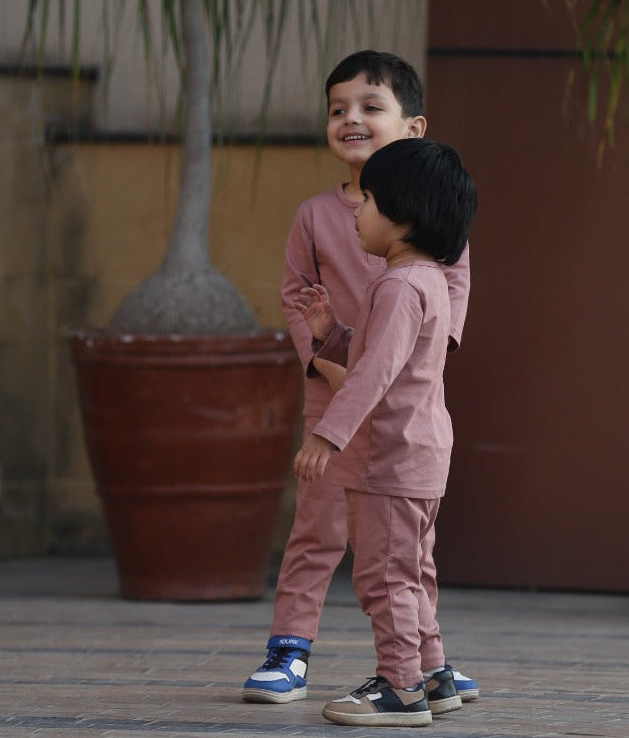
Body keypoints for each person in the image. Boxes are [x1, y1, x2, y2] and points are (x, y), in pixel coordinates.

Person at [242, 50, 478, 705]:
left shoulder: (427, 224)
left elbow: (443, 299)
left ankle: (415, 672)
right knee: (321, 528)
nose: (351, 118)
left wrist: (418, 354)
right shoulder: (320, 215)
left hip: (397, 410)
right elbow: (296, 295)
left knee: (396, 559)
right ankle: (291, 649)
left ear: (413, 127)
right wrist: (324, 353)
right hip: (337, 397)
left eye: (371, 107)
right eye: (337, 108)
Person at [294, 136, 478, 727]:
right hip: (418, 458)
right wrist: (330, 331)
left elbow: (374, 374)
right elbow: (383, 356)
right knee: (413, 570)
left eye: (368, 199)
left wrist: (327, 432)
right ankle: (432, 673)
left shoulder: (400, 286)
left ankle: (400, 687)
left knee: (383, 576)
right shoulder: (421, 282)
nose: (357, 210)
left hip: (389, 460)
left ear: (404, 218)